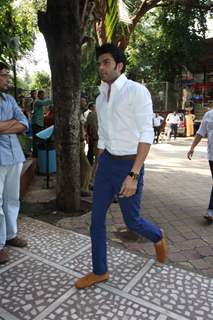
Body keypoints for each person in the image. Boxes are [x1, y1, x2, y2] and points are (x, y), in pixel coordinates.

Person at [74, 43, 167, 289]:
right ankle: (100, 271)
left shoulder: (137, 92)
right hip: (106, 164)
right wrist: (98, 167)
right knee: (96, 220)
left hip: (129, 165)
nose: (101, 67)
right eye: (99, 63)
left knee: (132, 221)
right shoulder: (100, 97)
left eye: (106, 62)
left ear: (119, 65)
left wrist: (134, 175)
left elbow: (146, 134)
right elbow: (103, 136)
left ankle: (157, 236)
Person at [0, 62, 29, 265]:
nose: (7, 79)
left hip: (14, 157)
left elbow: (24, 123)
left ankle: (10, 235)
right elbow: (16, 123)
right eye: (4, 75)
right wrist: (12, 123)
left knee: (12, 199)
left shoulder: (9, 99)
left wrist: (3, 126)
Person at [187, 109, 213, 222]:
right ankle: (211, 210)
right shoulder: (208, 114)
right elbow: (200, 133)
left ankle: (211, 210)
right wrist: (192, 148)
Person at [31, 90, 52, 157]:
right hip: (36, 123)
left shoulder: (38, 102)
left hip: (38, 123)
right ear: (39, 95)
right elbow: (45, 103)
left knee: (37, 139)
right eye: (42, 95)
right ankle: (35, 154)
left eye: (44, 95)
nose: (44, 96)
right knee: (36, 139)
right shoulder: (37, 101)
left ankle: (36, 153)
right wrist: (53, 99)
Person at [86, 102, 98, 166]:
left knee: (90, 151)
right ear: (91, 108)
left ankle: (89, 165)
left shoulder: (91, 115)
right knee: (95, 154)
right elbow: (94, 127)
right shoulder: (93, 115)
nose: (96, 107)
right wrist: (96, 136)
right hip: (94, 138)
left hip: (92, 137)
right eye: (95, 106)